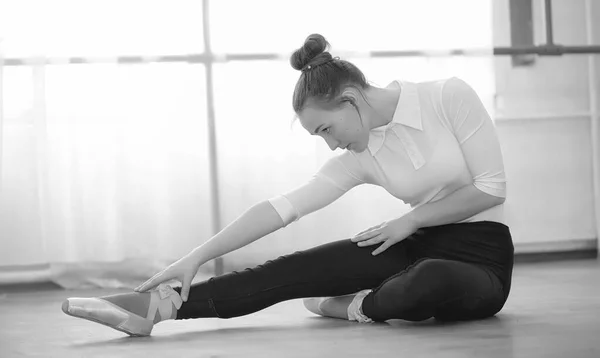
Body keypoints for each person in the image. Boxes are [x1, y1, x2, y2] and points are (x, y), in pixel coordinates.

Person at [62, 34, 513, 336]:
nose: (330, 144)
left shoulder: (447, 96)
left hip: (482, 258)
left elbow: (492, 188)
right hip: (409, 242)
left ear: (351, 100)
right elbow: (281, 208)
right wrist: (195, 258)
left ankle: (351, 306)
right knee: (285, 271)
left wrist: (410, 220)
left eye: (325, 130)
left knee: (426, 281)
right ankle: (157, 311)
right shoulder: (361, 155)